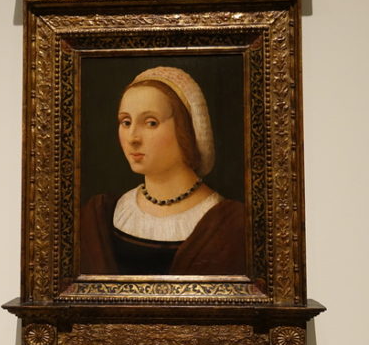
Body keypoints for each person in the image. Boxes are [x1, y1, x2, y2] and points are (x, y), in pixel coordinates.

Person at [79, 66, 246, 275]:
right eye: (126, 122)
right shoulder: (102, 216)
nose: (132, 138)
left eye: (151, 123)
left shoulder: (229, 223)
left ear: (187, 128)